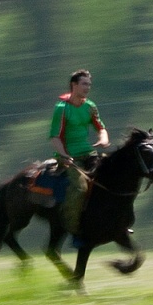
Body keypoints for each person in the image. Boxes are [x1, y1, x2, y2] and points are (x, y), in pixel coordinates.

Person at [48, 69, 109, 234]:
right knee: (81, 188)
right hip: (69, 157)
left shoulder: (90, 106)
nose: (87, 88)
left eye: (89, 84)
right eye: (84, 84)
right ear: (73, 85)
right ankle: (74, 228)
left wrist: (103, 139)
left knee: (110, 179)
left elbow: (101, 128)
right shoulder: (62, 108)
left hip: (88, 153)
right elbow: (54, 137)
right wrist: (64, 155)